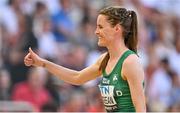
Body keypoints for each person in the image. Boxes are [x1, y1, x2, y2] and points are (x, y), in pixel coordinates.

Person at [24, 6, 146, 112]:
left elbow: (141, 109)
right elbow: (77, 78)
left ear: (117, 29)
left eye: (101, 27)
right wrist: (42, 63)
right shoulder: (104, 59)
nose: (96, 32)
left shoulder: (130, 62)